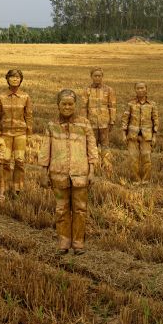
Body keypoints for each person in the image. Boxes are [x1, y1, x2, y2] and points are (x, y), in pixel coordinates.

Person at [39, 89, 99, 255]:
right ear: (58, 105)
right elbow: (45, 149)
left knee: (80, 209)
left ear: (75, 105)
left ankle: (78, 243)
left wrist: (92, 170)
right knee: (61, 209)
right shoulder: (52, 125)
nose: (67, 107)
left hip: (80, 173)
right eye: (63, 104)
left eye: (70, 104)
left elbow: (92, 147)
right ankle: (63, 242)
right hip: (58, 174)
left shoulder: (84, 124)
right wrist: (43, 172)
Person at [0, 69, 33, 197]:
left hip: (21, 133)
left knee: (19, 161)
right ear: (7, 79)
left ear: (21, 80)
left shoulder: (26, 97)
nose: (15, 79)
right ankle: (4, 189)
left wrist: (29, 134)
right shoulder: (1, 97)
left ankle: (17, 189)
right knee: (4, 161)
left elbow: (29, 116)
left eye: (17, 77)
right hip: (5, 133)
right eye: (12, 77)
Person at [121, 82, 159, 185]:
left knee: (147, 158)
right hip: (132, 136)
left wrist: (154, 136)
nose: (140, 90)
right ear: (135, 90)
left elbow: (155, 120)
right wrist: (124, 134)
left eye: (142, 88)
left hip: (147, 136)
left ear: (146, 89)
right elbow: (125, 120)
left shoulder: (152, 104)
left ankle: (146, 181)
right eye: (138, 88)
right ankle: (136, 180)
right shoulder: (130, 104)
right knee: (133, 159)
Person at [83, 67, 116, 148]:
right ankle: (94, 161)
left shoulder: (109, 90)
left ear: (102, 76)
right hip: (91, 124)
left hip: (104, 124)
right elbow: (84, 108)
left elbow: (112, 107)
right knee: (92, 146)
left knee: (105, 146)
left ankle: (105, 161)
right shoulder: (87, 90)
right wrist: (84, 122)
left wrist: (112, 121)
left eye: (99, 76)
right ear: (91, 76)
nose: (97, 78)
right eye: (95, 76)